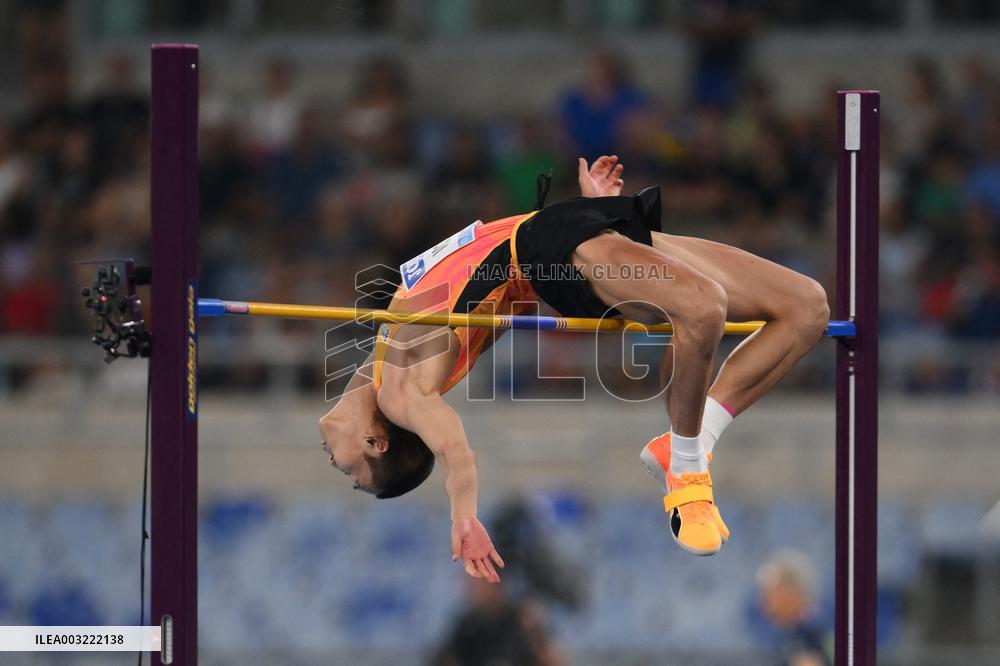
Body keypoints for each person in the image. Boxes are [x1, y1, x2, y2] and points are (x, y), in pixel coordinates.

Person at [319, 155, 829, 581]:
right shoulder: (399, 393)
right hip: (560, 252)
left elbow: (485, 269)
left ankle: (688, 443)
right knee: (701, 308)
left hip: (570, 234)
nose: (332, 461)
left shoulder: (383, 349)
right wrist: (464, 518)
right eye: (350, 472)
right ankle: (689, 467)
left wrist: (590, 208)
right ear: (376, 442)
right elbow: (453, 449)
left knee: (806, 308)